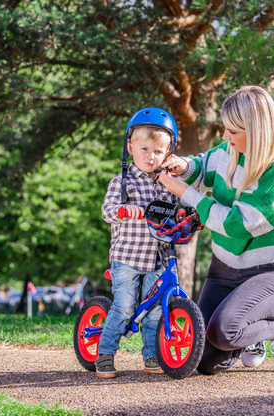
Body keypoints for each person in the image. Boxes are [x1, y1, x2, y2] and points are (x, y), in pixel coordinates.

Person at [159, 86, 274, 375]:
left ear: (256, 130)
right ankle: (248, 332)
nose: (225, 137)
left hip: (272, 271)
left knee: (224, 332)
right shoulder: (231, 149)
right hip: (224, 269)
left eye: (232, 131)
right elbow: (204, 165)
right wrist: (183, 165)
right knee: (199, 359)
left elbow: (237, 225)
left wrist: (187, 194)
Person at [96, 108, 178, 378]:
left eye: (158, 151)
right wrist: (123, 210)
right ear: (131, 148)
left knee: (154, 308)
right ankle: (105, 354)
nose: (150, 156)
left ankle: (151, 356)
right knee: (124, 306)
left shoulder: (169, 183)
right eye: (144, 149)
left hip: (159, 256)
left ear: (167, 153)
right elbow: (107, 211)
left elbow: (177, 211)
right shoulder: (122, 181)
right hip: (128, 257)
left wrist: (186, 215)